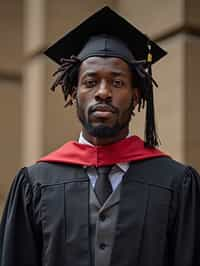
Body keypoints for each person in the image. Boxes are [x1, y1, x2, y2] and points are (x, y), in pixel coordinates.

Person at [0, 6, 200, 266]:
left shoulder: (175, 183)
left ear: (136, 96)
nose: (103, 92)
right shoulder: (35, 184)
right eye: (91, 82)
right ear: (73, 93)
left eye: (117, 83)